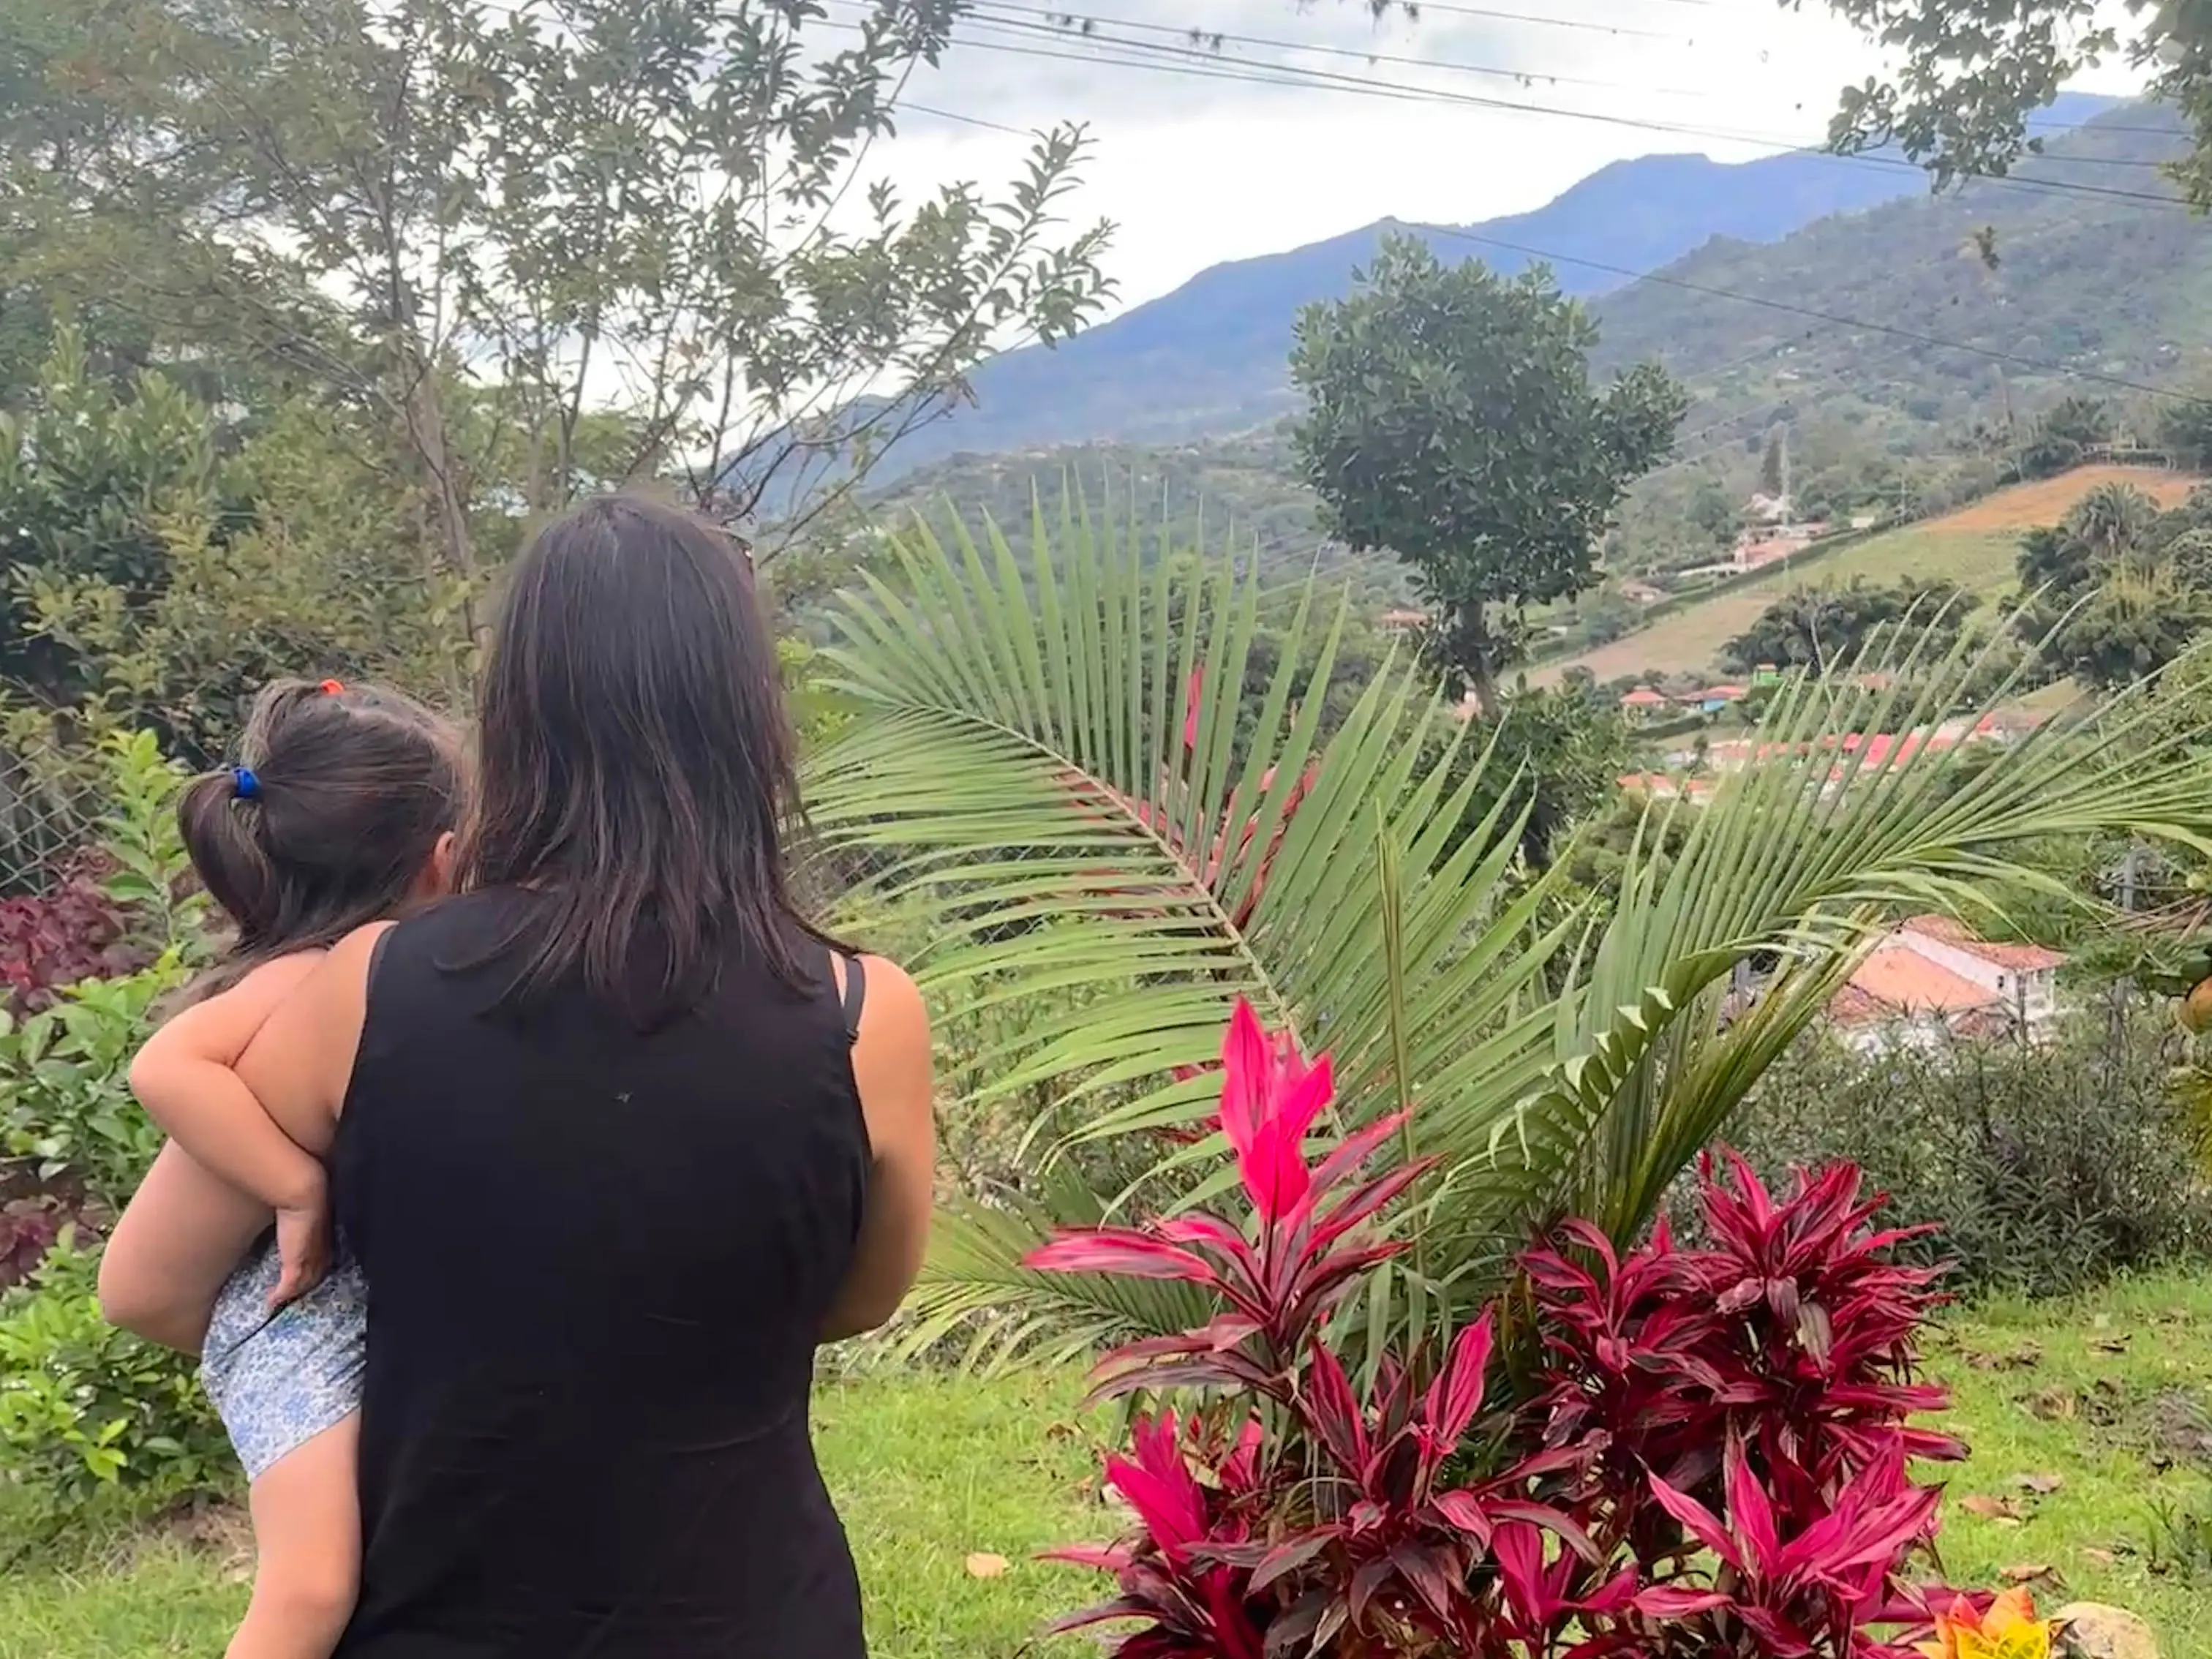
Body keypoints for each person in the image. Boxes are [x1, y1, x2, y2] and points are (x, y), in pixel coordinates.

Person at [109, 495, 936, 1658]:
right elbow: (850, 1303)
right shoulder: (865, 1016)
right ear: (750, 721)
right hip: (756, 1619)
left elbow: (149, 1287)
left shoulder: (365, 988)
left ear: (515, 716)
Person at [99, 678, 470, 1659]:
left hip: (316, 1309)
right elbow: (165, 1066)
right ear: (435, 867)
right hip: (286, 1322)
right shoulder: (309, 975)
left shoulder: (340, 971)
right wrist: (295, 1185)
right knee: (310, 1589)